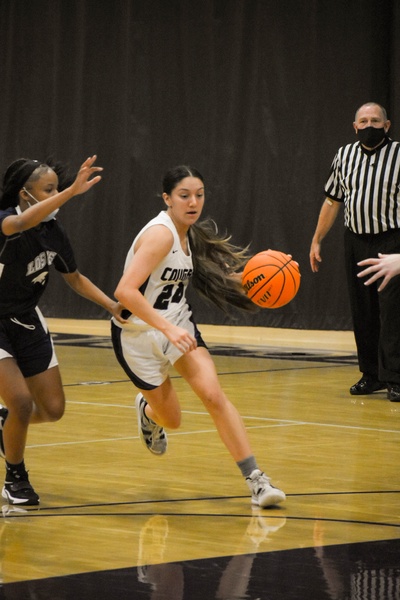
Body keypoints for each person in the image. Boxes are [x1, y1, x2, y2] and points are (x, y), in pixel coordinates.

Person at [111, 165, 286, 508]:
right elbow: (124, 292)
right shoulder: (160, 234)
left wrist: (266, 275)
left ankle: (257, 481)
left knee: (212, 395)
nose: (193, 202)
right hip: (138, 336)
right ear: (167, 199)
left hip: (178, 325)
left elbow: (216, 276)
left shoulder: (189, 232)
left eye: (199, 195)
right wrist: (166, 328)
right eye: (184, 195)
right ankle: (148, 413)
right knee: (171, 420)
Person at [0, 155, 125, 506]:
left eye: (57, 188)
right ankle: (15, 477)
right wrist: (71, 192)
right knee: (21, 403)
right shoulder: (6, 223)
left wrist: (113, 306)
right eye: (49, 190)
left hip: (25, 319)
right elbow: (21, 222)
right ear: (25, 193)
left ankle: (4, 426)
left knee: (53, 409)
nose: (57, 196)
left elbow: (75, 278)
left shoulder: (54, 234)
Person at [309, 102, 400, 402]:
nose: (369, 126)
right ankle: (371, 374)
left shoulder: (399, 154)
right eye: (364, 121)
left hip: (392, 241)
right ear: (355, 126)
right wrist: (317, 239)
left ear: (387, 126)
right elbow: (332, 200)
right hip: (356, 240)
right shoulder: (344, 155)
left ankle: (395, 377)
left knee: (392, 312)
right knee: (363, 311)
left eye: (376, 121)